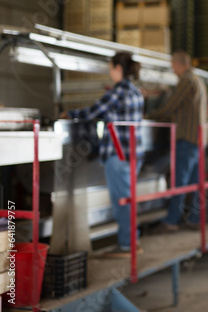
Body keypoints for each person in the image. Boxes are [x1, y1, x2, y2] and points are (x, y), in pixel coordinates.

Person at [60, 52, 145, 257]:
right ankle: (132, 241)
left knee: (121, 201)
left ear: (118, 68)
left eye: (110, 67)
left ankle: (128, 245)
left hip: (118, 154)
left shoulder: (118, 92)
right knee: (128, 199)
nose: (109, 72)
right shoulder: (136, 92)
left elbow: (93, 112)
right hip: (134, 153)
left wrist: (69, 114)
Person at [148, 51, 208, 233]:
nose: (172, 68)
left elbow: (171, 106)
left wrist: (149, 116)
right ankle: (195, 219)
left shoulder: (186, 81)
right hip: (198, 140)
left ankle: (172, 221)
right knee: (195, 182)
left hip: (187, 139)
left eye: (173, 65)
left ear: (179, 64)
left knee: (179, 182)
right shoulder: (198, 80)